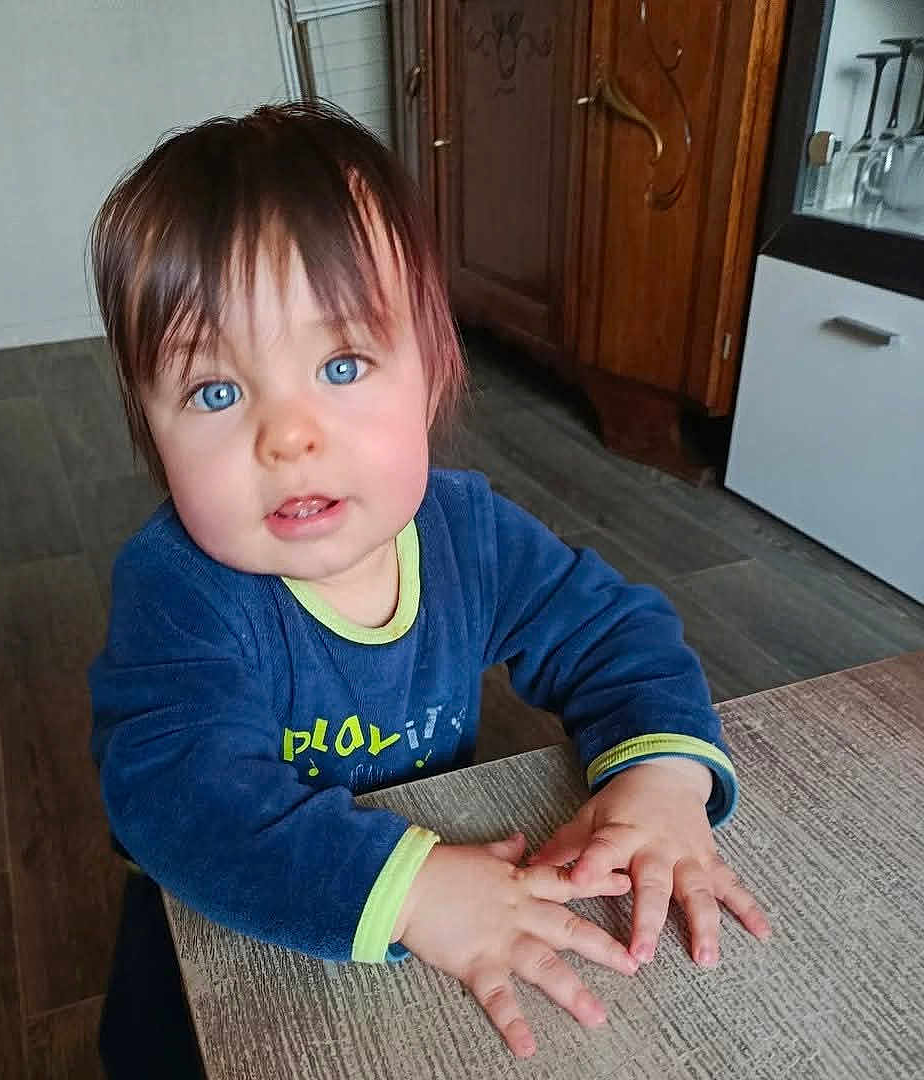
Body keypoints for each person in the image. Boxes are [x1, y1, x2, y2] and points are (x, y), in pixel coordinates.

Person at [87, 101, 771, 1073]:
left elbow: (615, 633)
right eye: (215, 392)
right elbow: (176, 797)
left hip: (442, 886)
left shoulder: (466, 531)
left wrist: (661, 781)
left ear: (435, 372)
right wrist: (409, 892)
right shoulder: (179, 588)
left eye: (340, 362)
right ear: (151, 431)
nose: (287, 436)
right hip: (235, 917)